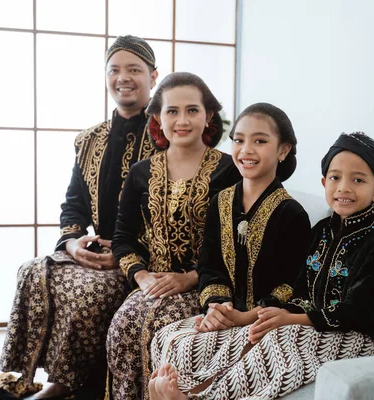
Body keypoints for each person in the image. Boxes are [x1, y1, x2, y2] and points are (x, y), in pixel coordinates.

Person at [149, 132, 374, 399]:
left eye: (358, 180)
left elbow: (359, 312)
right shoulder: (322, 232)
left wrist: (292, 320)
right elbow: (301, 290)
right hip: (311, 322)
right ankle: (190, 388)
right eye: (335, 177)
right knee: (250, 334)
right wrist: (247, 318)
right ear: (323, 182)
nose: (344, 187)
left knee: (278, 342)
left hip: (361, 336)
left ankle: (199, 397)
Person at [0, 35, 159, 399]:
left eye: (134, 69)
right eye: (114, 70)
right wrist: (73, 242)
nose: (124, 78)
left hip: (143, 256)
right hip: (94, 249)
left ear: (153, 76)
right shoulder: (89, 140)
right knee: (33, 270)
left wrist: (124, 252)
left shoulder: (170, 136)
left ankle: (73, 385)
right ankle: (48, 377)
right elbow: (73, 204)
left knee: (86, 292)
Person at [106, 72, 242, 400]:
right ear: (158, 118)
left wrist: (189, 279)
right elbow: (122, 236)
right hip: (153, 284)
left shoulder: (230, 170)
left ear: (209, 116)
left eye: (192, 110)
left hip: (209, 286)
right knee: (123, 325)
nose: (182, 120)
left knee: (153, 328)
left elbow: (238, 243)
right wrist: (141, 277)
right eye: (172, 111)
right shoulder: (140, 172)